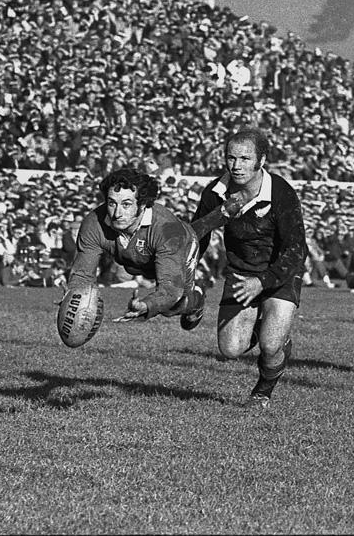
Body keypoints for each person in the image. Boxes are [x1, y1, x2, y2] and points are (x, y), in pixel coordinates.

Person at [193, 128, 307, 408]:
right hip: (241, 272)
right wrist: (188, 276)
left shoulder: (280, 192)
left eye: (245, 158)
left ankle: (263, 390)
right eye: (231, 158)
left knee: (270, 346)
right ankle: (269, 328)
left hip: (280, 273)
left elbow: (297, 250)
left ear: (261, 160)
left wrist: (263, 282)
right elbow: (197, 237)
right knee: (230, 349)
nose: (236, 165)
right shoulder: (215, 192)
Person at [64, 168, 246, 330]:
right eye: (112, 203)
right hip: (137, 259)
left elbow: (170, 292)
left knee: (171, 306)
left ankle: (197, 298)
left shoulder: (166, 229)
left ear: (142, 205)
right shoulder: (93, 223)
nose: (117, 213)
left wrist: (147, 305)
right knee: (144, 260)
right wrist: (74, 295)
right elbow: (82, 274)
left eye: (126, 204)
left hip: (181, 244)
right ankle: (222, 213)